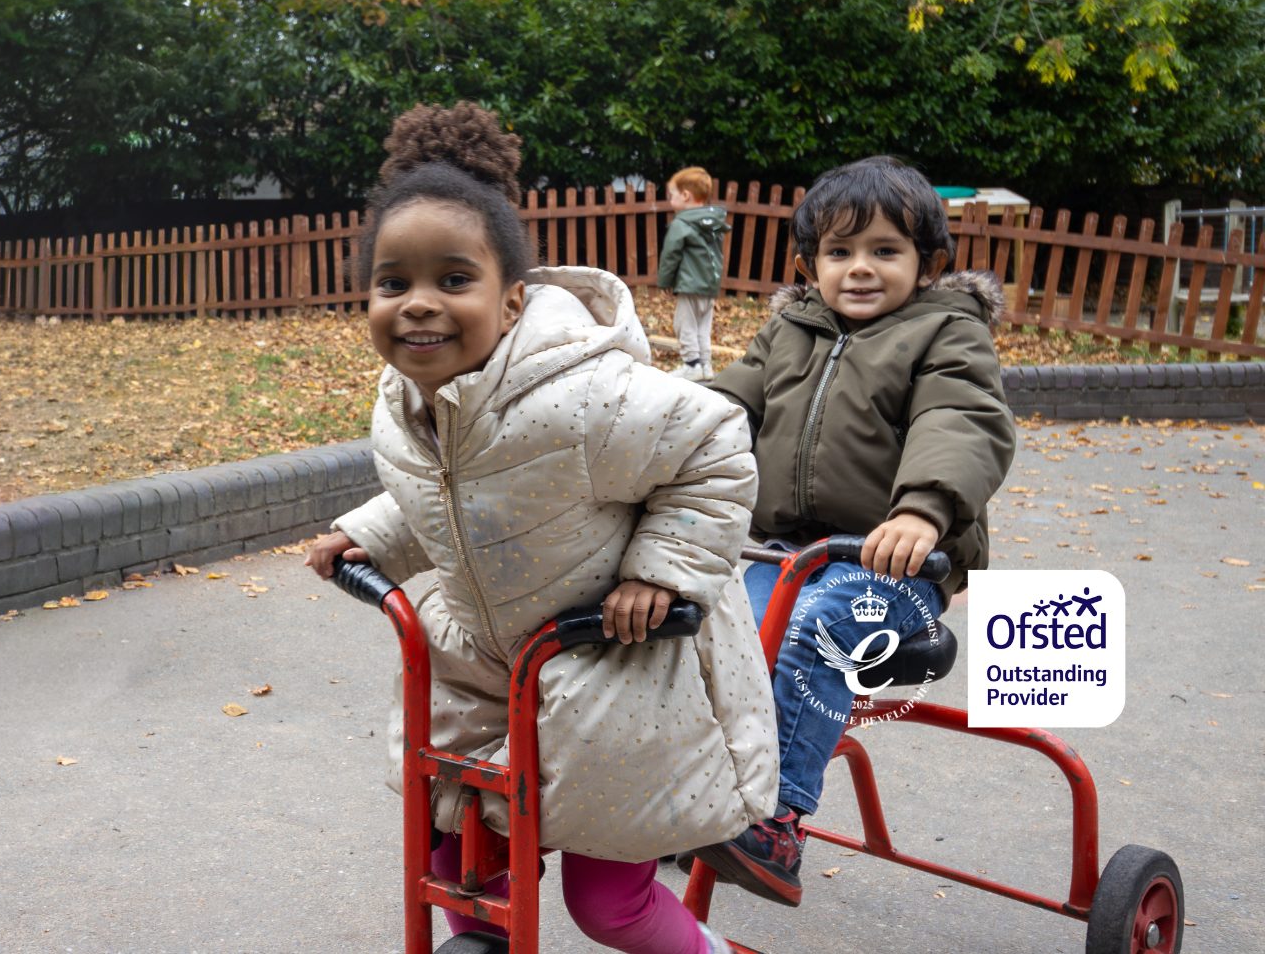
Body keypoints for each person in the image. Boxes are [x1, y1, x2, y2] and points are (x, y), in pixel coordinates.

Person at [303, 102, 778, 954]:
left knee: (609, 904)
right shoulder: (403, 402)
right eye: (392, 283)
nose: (418, 306)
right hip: (484, 670)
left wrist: (661, 572)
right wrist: (372, 535)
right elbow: (452, 493)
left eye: (453, 281)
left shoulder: (582, 397)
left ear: (513, 298)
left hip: (616, 670)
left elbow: (712, 441)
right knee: (458, 867)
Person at [692, 155, 1015, 908]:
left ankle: (774, 820)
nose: (860, 269)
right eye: (839, 253)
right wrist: (653, 445)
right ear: (808, 267)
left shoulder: (948, 332)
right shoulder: (790, 330)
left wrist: (922, 509)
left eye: (884, 251)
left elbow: (960, 419)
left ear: (929, 263)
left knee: (815, 630)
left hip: (897, 567)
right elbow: (721, 409)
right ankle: (700, 794)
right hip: (788, 550)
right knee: (707, 629)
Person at [656, 168, 731, 381]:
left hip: (690, 285)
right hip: (709, 285)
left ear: (686, 195)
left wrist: (665, 282)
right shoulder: (713, 223)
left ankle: (691, 365)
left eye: (672, 195)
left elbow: (671, 254)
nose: (670, 200)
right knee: (702, 327)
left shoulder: (682, 223)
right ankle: (705, 366)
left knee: (684, 324)